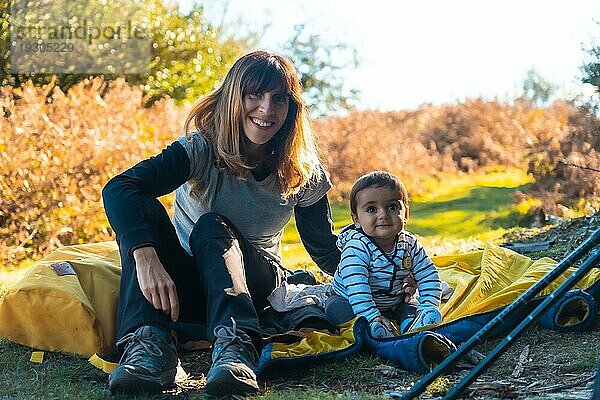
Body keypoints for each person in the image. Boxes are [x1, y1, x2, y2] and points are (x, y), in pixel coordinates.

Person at [101, 51, 343, 396]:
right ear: (233, 97)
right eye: (254, 95)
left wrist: (380, 268)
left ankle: (235, 348)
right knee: (139, 205)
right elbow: (119, 188)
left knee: (212, 225)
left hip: (254, 284)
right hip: (184, 287)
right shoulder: (200, 149)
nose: (266, 109)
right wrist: (145, 256)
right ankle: (150, 346)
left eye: (279, 98)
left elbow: (325, 249)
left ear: (292, 108)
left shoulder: (303, 171)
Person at [325, 171, 442, 338]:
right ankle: (371, 327)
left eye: (392, 207)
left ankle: (413, 324)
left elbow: (428, 274)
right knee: (335, 307)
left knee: (410, 304)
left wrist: (429, 304)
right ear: (356, 219)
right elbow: (357, 288)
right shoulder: (356, 248)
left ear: (406, 214)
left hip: (393, 301)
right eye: (372, 209)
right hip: (351, 299)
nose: (383, 215)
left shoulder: (409, 244)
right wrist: (373, 316)